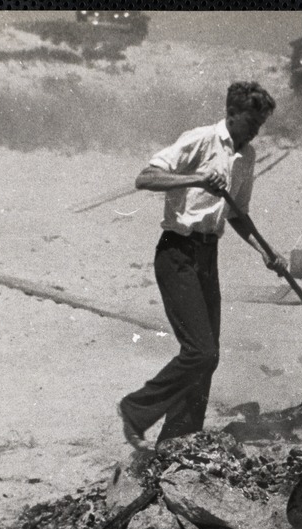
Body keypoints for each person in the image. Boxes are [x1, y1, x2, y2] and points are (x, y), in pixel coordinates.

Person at [118, 82, 287, 449]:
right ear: (231, 114)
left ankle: (178, 442)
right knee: (200, 352)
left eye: (260, 125)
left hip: (208, 257)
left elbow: (239, 215)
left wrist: (264, 251)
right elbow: (145, 177)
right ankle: (135, 410)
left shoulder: (248, 156)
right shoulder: (200, 140)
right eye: (250, 123)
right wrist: (196, 177)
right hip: (177, 252)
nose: (255, 132)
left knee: (208, 358)